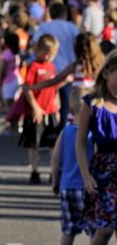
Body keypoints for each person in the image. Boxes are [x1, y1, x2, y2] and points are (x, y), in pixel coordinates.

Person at [76, 50, 117, 244]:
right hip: (104, 172)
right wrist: (86, 176)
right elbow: (81, 141)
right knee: (105, 228)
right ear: (107, 72)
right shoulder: (92, 103)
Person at [51, 87, 93, 245]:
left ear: (70, 109)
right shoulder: (91, 134)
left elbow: (55, 159)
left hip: (67, 187)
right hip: (87, 187)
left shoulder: (66, 131)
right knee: (94, 230)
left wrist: (55, 182)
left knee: (68, 230)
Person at [33, 2, 81, 128]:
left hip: (49, 69)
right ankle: (64, 128)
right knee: (66, 103)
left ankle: (47, 129)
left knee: (47, 101)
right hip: (68, 68)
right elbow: (79, 43)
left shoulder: (45, 27)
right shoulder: (71, 27)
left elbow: (35, 42)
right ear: (65, 14)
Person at [20, 34, 60, 185]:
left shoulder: (52, 67)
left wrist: (56, 105)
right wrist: (35, 107)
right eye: (46, 53)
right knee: (34, 143)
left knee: (52, 143)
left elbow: (54, 87)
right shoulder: (34, 67)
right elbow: (27, 89)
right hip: (36, 112)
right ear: (39, 50)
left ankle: (53, 171)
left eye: (52, 54)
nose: (49, 57)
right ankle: (34, 171)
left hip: (49, 110)